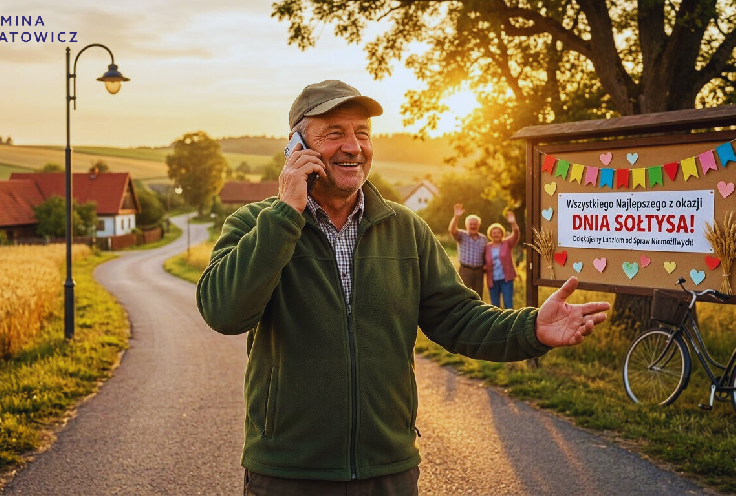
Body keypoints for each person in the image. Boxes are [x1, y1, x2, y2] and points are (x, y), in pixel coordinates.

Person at [196, 80, 610, 496]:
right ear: (296, 146)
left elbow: (457, 317)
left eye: (362, 133)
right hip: (287, 473)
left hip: (389, 470)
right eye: (335, 133)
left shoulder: (405, 228)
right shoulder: (256, 224)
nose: (353, 147)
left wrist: (532, 328)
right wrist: (287, 213)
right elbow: (224, 312)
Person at [448, 204, 487, 299]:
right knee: (464, 295)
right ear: (467, 225)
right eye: (471, 224)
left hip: (479, 271)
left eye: (475, 224)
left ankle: (477, 309)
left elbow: (486, 254)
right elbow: (452, 230)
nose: (473, 226)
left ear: (478, 225)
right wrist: (456, 217)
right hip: (465, 270)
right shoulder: (462, 235)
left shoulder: (483, 238)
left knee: (478, 296)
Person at [485, 213, 519, 309]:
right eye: (494, 233)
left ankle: (510, 319)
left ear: (502, 234)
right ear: (490, 235)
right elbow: (483, 261)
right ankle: (497, 319)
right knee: (495, 306)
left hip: (506, 279)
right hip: (492, 280)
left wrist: (513, 223)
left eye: (498, 232)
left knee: (508, 304)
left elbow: (516, 234)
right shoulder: (487, 247)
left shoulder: (507, 243)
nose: (496, 234)